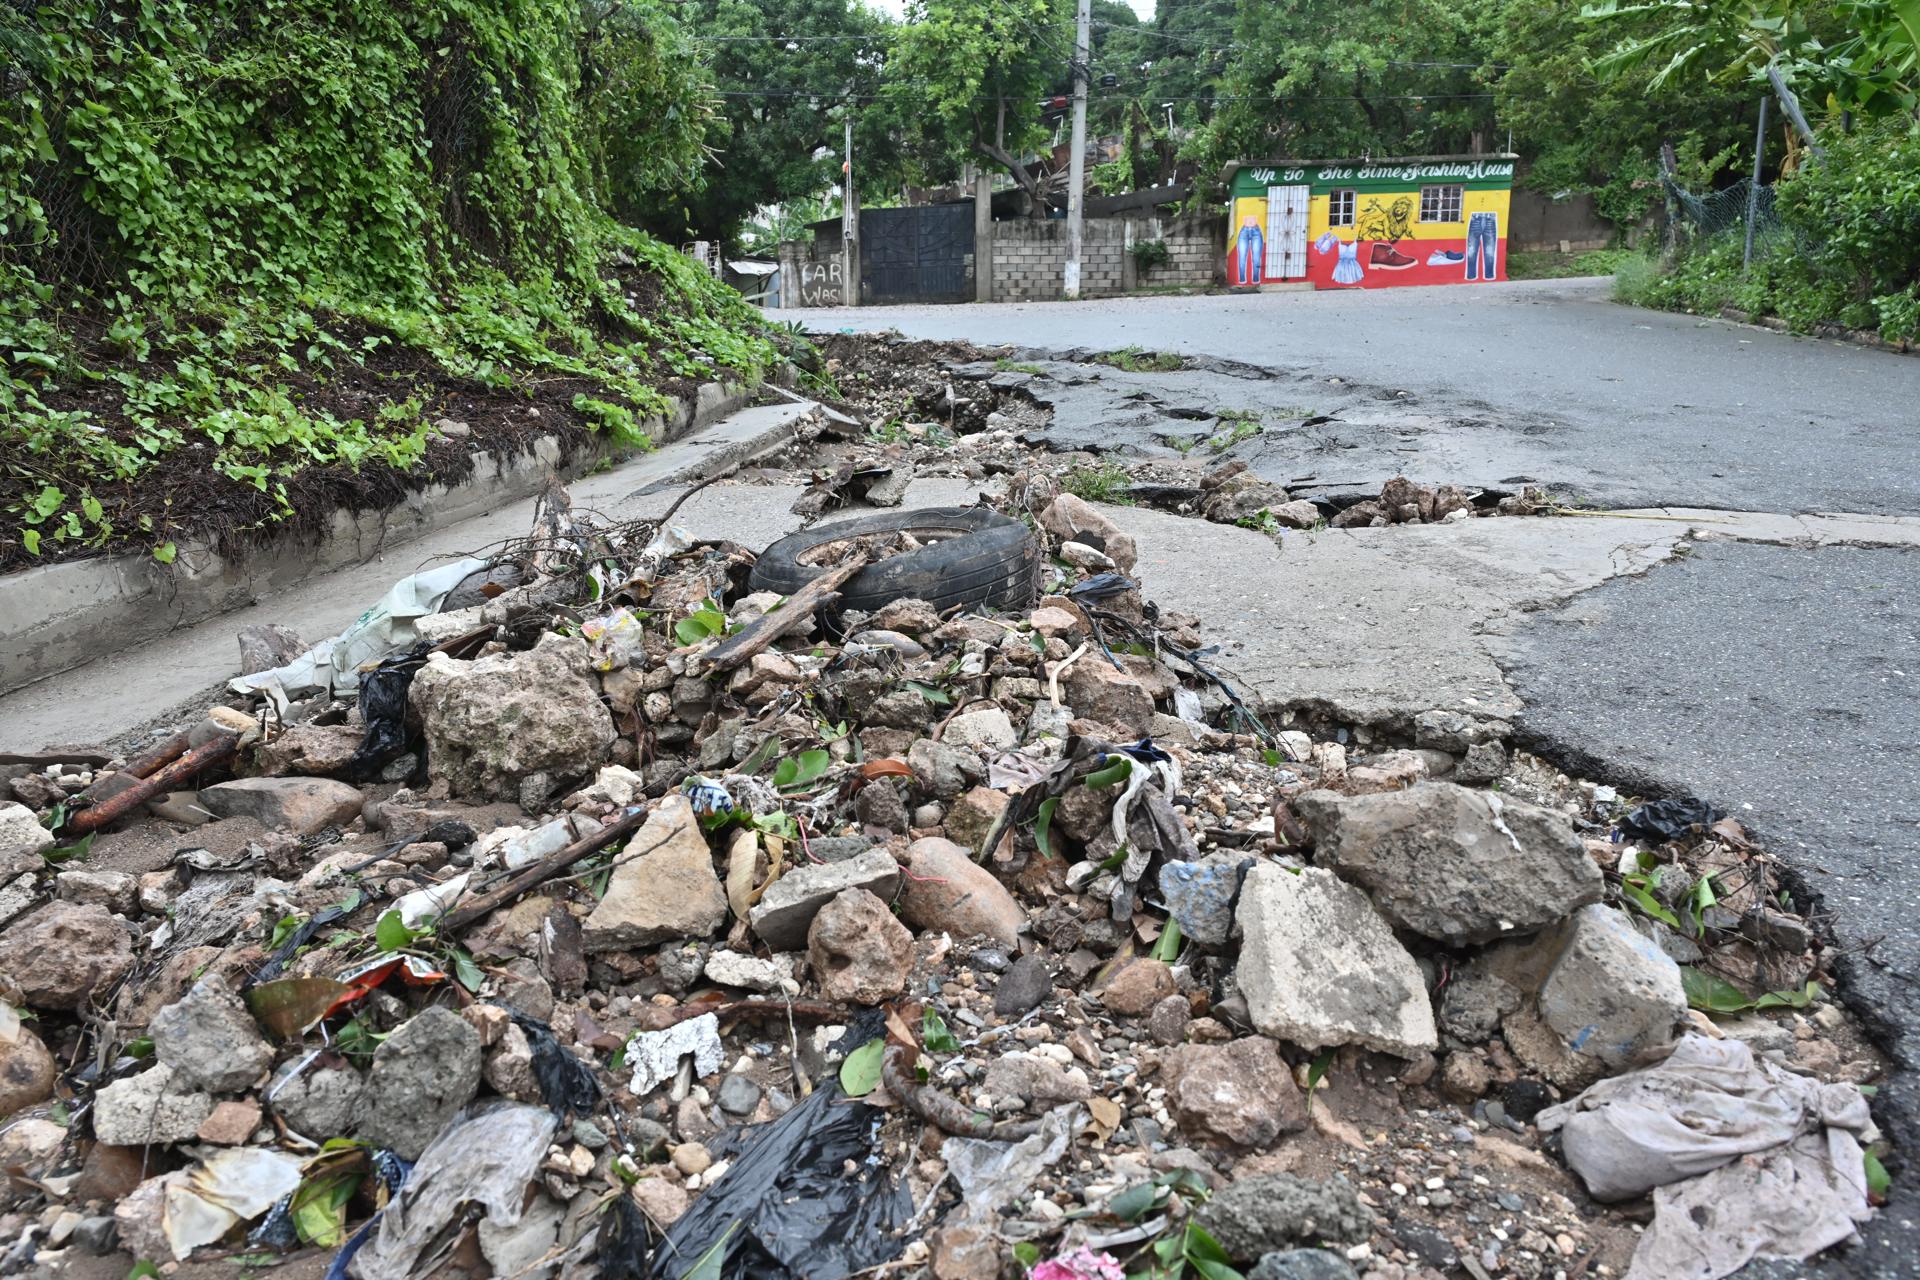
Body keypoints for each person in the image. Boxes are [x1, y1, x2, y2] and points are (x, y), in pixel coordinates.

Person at [1233, 214, 1264, 286]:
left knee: (1256, 257)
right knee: (1242, 257)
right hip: (1244, 230)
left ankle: (1256, 279)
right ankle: (1242, 279)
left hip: (1256, 230)